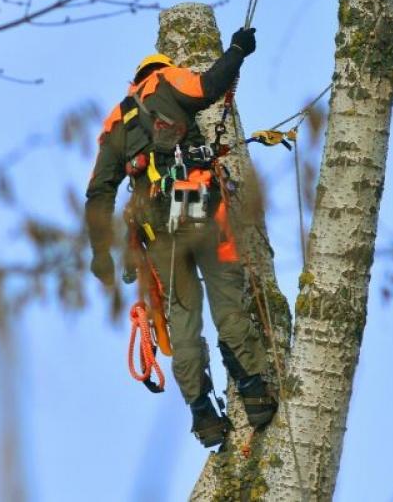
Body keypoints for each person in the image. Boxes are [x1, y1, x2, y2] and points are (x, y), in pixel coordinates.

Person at [85, 27, 277, 447]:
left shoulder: (115, 123)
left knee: (183, 320)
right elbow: (208, 86)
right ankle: (254, 389)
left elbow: (99, 191)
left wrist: (100, 253)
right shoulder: (167, 81)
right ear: (160, 70)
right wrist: (238, 51)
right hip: (195, 205)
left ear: (132, 80)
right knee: (227, 296)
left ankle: (203, 415)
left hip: (155, 230)